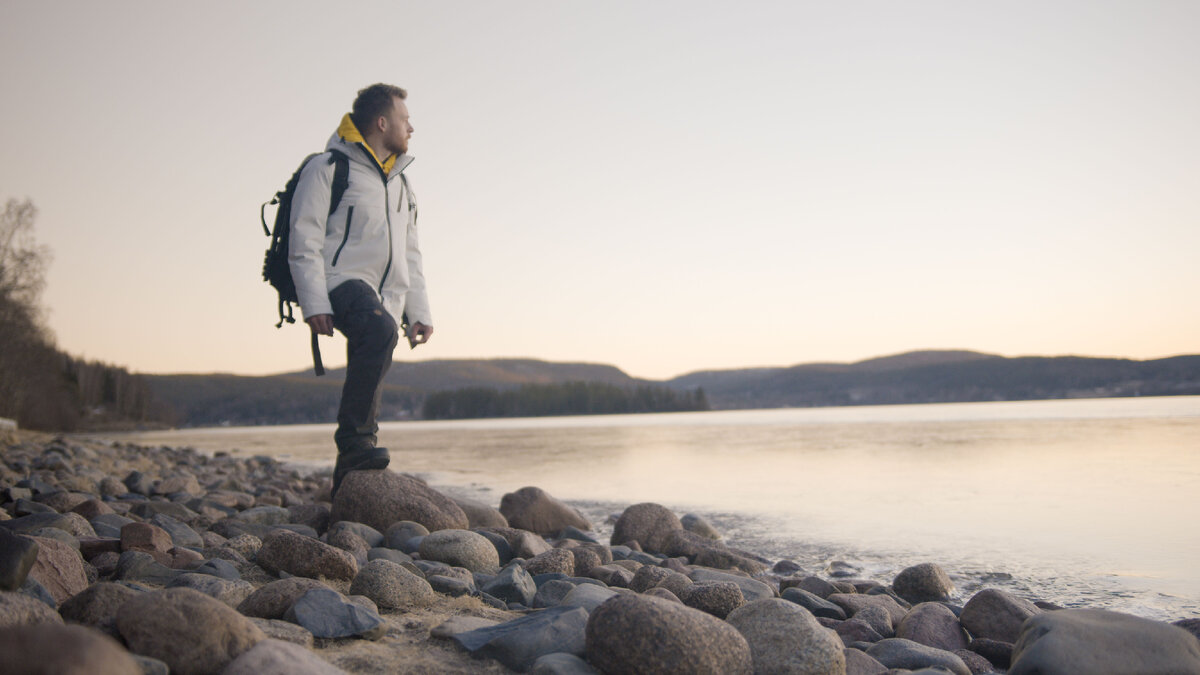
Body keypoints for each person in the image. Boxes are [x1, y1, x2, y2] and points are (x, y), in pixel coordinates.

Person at [288, 83, 433, 496]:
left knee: (377, 342)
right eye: (405, 120)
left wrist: (418, 312)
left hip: (382, 297)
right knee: (378, 331)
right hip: (337, 281)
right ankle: (355, 443)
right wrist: (314, 301)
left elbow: (411, 254)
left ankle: (347, 485)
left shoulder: (401, 185)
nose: (411, 128)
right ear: (382, 122)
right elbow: (305, 238)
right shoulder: (330, 168)